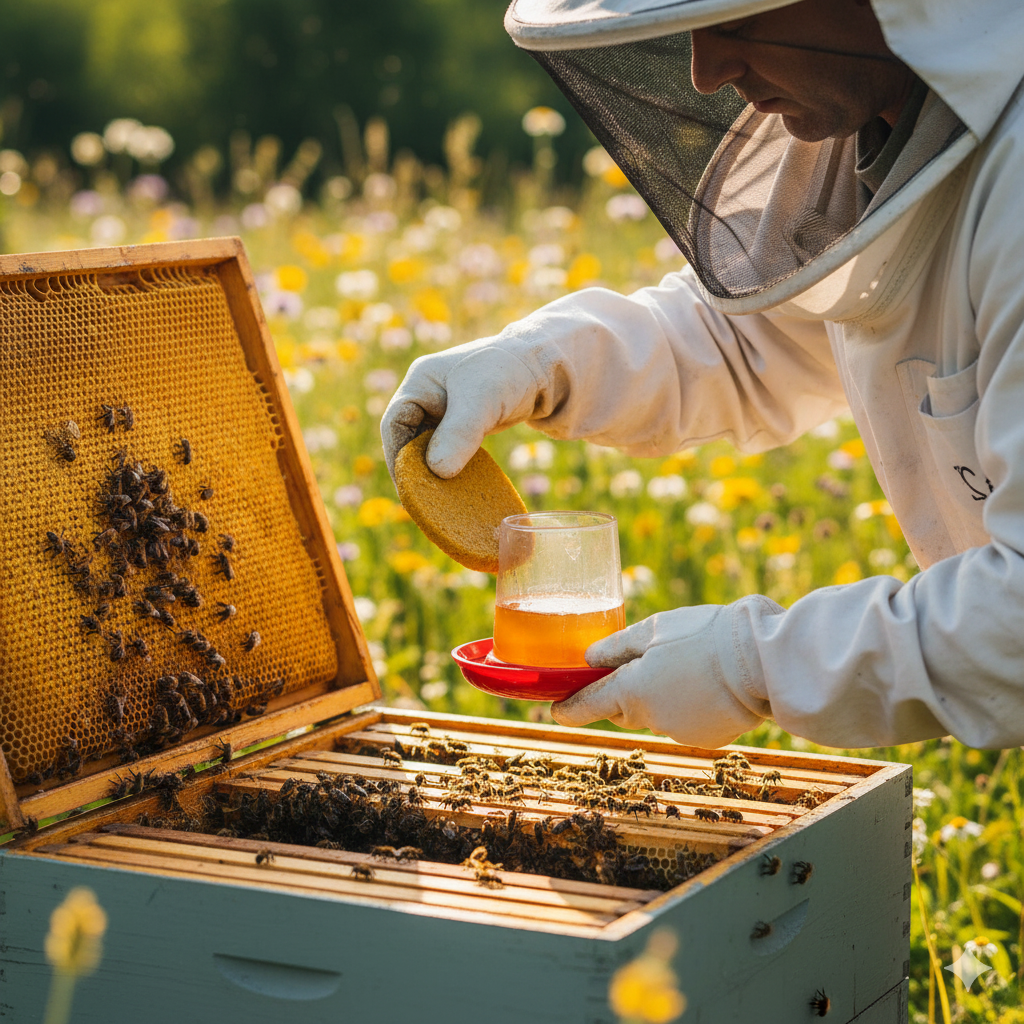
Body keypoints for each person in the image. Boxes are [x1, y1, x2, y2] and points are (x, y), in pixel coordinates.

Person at [382, 0, 1024, 750]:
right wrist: (540, 360)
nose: (706, 70)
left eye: (736, 19)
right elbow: (752, 336)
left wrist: (756, 663)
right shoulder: (883, 128)